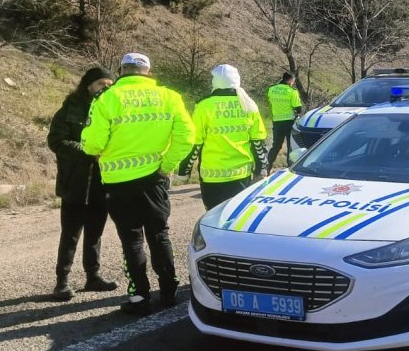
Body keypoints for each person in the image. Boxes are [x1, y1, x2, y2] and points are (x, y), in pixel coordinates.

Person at [81, 53, 195, 316]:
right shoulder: (170, 97)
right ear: (148, 71)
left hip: (118, 182)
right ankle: (168, 290)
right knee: (159, 235)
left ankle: (139, 297)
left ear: (122, 71)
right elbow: (187, 136)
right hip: (155, 179)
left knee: (131, 240)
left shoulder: (107, 98)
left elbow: (93, 144)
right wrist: (166, 166)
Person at [46, 67, 118, 300]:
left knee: (95, 233)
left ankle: (93, 277)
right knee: (70, 234)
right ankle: (62, 282)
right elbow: (56, 141)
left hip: (102, 181)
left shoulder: (113, 109)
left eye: (109, 84)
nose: (105, 88)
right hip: (74, 182)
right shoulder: (70, 108)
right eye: (100, 84)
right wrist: (88, 152)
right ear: (88, 85)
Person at [180, 64, 269, 210]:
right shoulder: (249, 105)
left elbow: (195, 142)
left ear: (214, 82)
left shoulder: (204, 106)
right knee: (236, 217)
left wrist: (184, 171)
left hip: (212, 176)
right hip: (241, 175)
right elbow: (258, 141)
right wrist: (262, 168)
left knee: (212, 217)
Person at [267, 72, 303, 166]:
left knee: (276, 145)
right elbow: (298, 108)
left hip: (277, 121)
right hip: (289, 122)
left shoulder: (271, 89)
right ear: (290, 80)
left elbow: (269, 102)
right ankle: (289, 166)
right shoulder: (292, 91)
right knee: (290, 145)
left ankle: (268, 165)